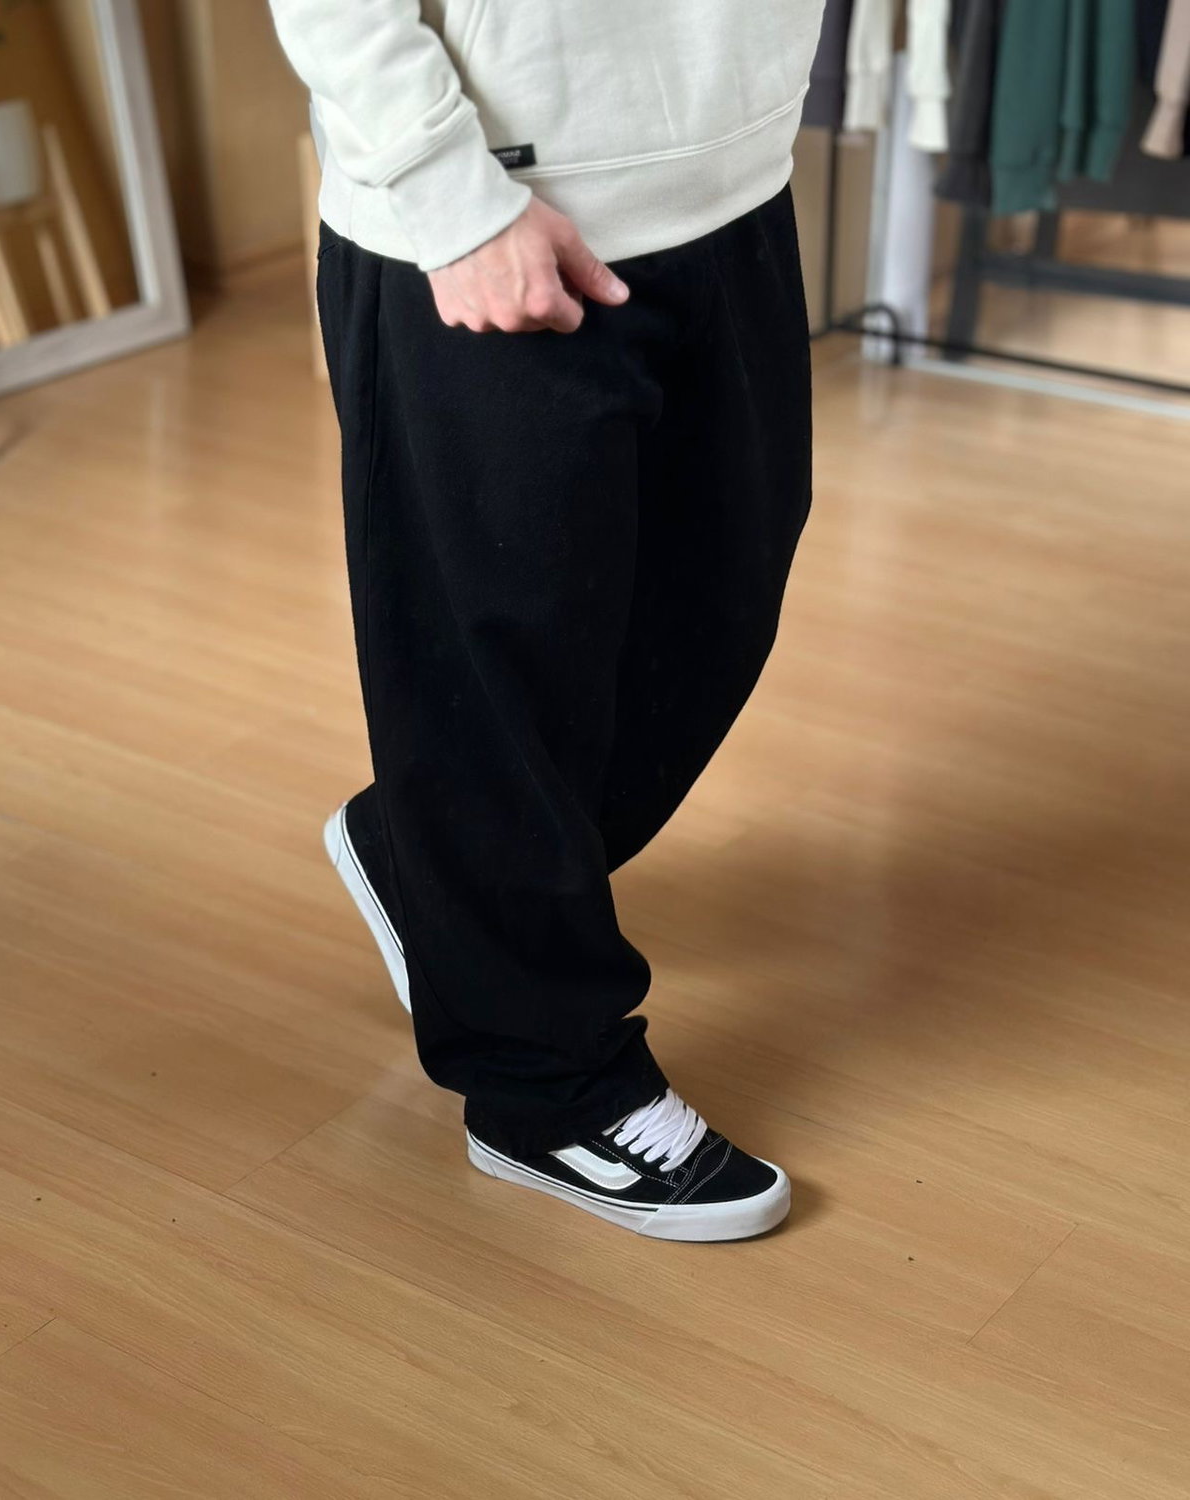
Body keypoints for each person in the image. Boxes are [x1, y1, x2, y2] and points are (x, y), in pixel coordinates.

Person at [269, 0, 825, 1242]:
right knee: (502, 677)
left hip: (732, 166)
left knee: (722, 598)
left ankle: (430, 855)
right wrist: (448, 192)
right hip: (497, 203)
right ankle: (542, 1081)